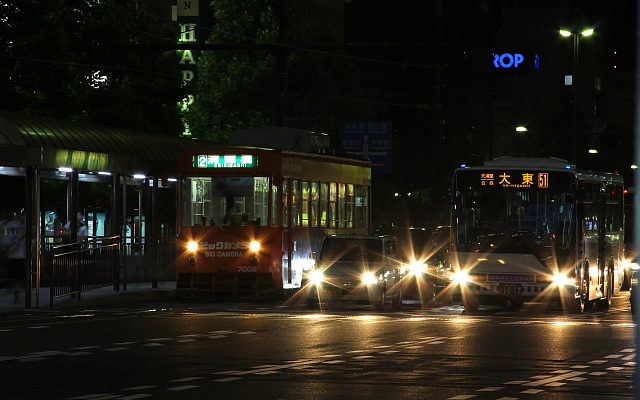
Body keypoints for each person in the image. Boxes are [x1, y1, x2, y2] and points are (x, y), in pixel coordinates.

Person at [5, 214, 26, 303]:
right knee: (19, 278)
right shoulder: (22, 232)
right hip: (20, 257)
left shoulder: (9, 233)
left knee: (15, 278)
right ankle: (19, 292)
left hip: (13, 257)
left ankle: (16, 294)